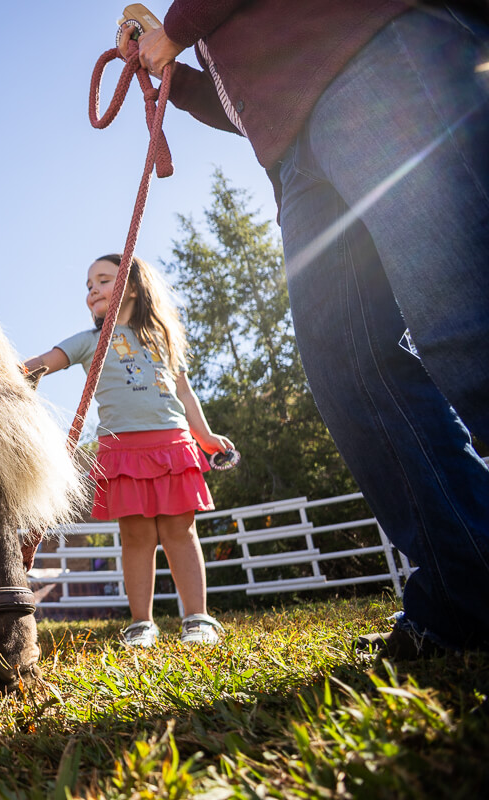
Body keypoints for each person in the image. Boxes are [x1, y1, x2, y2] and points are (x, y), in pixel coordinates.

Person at [132, 1, 489, 655]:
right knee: (352, 372)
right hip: (295, 149)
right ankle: (468, 592)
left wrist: (175, 30)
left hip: (372, 57)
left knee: (466, 314)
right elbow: (249, 96)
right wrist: (175, 79)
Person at [25, 254, 233, 647]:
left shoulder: (163, 338)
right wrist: (8, 371)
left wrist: (204, 436)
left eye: (102, 280)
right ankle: (141, 623)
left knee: (180, 532)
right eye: (88, 286)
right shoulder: (90, 342)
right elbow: (45, 363)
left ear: (132, 287)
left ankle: (198, 619)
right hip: (122, 451)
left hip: (171, 443)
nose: (92, 291)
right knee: (135, 536)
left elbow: (183, 392)